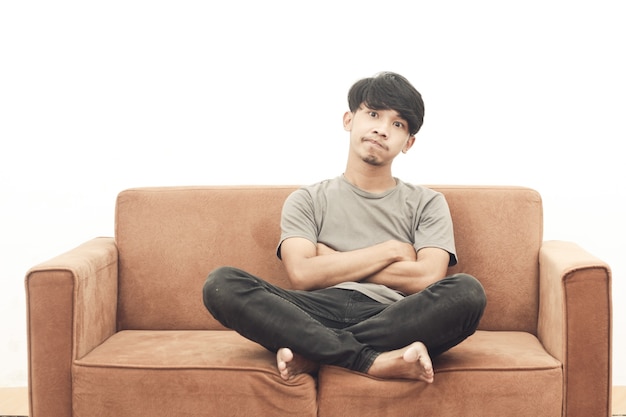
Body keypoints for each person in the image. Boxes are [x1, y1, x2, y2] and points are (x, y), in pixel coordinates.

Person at [203, 71, 486, 384]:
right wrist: (391, 250)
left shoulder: (428, 203)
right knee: (222, 284)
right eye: (373, 114)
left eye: (397, 124)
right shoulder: (307, 199)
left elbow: (426, 278)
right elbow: (302, 275)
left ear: (409, 142)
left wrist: (331, 257)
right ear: (349, 119)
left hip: (392, 315)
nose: (381, 129)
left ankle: (316, 352)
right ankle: (370, 361)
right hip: (313, 311)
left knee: (467, 294)